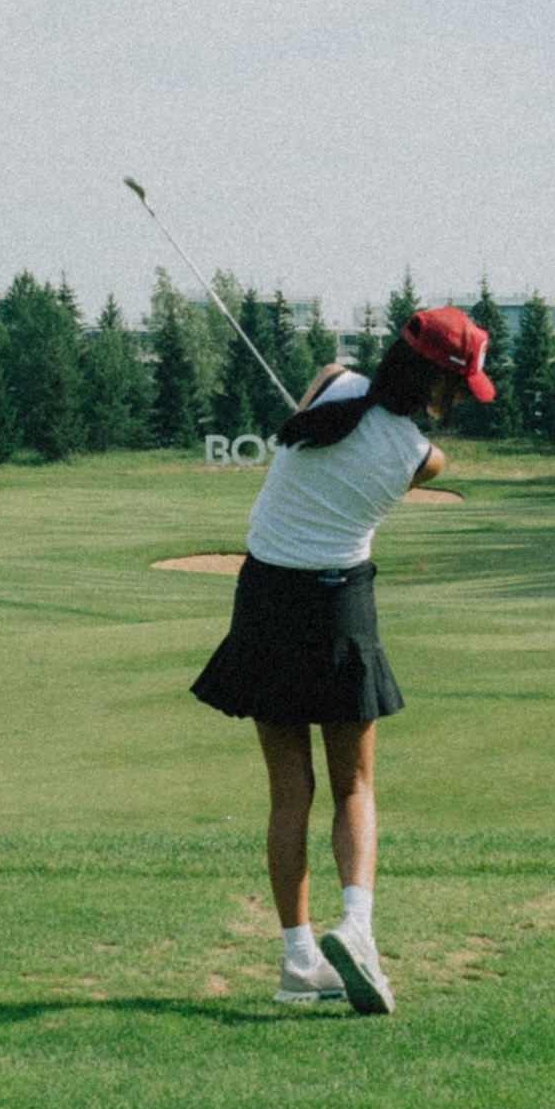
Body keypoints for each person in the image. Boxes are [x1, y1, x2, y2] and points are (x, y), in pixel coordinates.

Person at [190, 304, 496, 1013]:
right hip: (335, 602)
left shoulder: (331, 380)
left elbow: (316, 422)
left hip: (265, 594)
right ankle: (356, 927)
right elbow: (375, 435)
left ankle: (298, 961)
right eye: (459, 389)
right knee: (353, 785)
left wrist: (338, 399)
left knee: (289, 793)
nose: (459, 405)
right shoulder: (423, 455)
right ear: (436, 383)